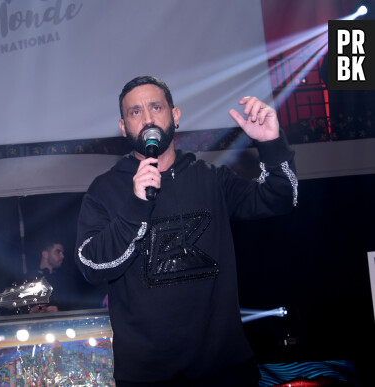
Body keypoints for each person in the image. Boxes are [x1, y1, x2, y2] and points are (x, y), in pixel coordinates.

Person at [75, 76, 298, 386]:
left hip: (226, 371)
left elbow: (281, 198)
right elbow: (91, 266)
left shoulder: (211, 179)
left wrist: (271, 144)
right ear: (124, 126)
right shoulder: (105, 190)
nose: (148, 118)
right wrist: (135, 206)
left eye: (156, 107)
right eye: (135, 112)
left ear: (175, 116)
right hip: (149, 377)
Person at [25, 241, 81, 313]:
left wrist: (59, 312)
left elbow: (75, 307)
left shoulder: (65, 281)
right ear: (45, 254)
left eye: (62, 253)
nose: (62, 256)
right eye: (58, 252)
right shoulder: (28, 278)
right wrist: (31, 312)